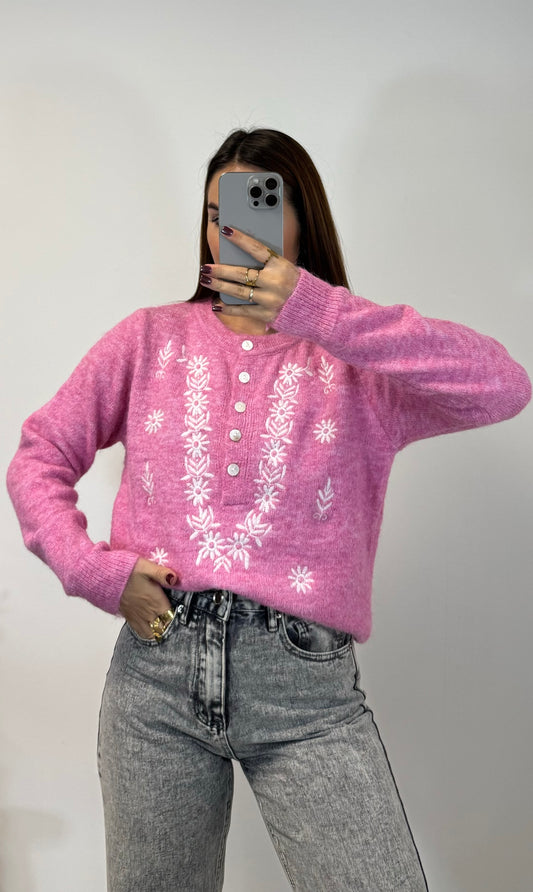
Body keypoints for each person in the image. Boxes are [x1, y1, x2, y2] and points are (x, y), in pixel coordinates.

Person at [7, 128, 531, 892]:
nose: (231, 229)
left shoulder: (357, 365)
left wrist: (321, 310)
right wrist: (95, 572)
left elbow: (502, 387)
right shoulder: (148, 340)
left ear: (299, 219)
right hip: (154, 681)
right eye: (214, 213)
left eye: (255, 208)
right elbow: (40, 454)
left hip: (305, 696)